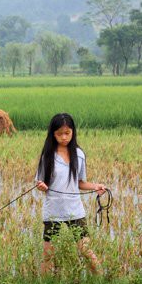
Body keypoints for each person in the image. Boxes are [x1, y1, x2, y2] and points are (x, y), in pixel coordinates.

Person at [35, 113, 107, 275]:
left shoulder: (79, 155)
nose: (64, 137)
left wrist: (96, 186)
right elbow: (41, 183)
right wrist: (41, 186)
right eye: (59, 134)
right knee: (48, 254)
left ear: (73, 132)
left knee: (85, 249)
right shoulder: (47, 156)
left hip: (75, 209)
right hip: (53, 210)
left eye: (67, 133)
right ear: (53, 134)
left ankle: (101, 281)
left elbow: (80, 183)